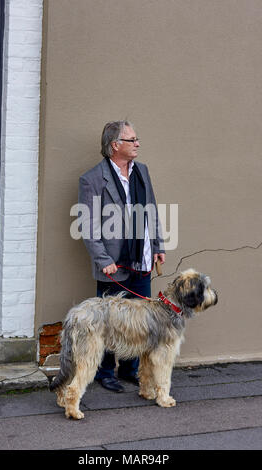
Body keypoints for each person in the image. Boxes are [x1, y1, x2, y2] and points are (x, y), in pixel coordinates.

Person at [78, 120, 165, 392]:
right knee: (109, 322)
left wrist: (159, 245)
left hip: (141, 258)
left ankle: (129, 369)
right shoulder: (92, 179)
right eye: (132, 139)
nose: (138, 143)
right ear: (115, 145)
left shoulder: (142, 172)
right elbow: (88, 226)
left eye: (137, 139)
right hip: (112, 265)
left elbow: (151, 210)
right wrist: (103, 260)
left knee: (138, 320)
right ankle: (105, 372)